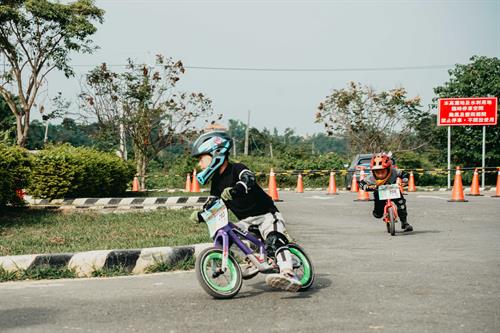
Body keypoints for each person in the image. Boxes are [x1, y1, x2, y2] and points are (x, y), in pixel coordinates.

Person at [189, 131, 301, 292]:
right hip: (246, 222)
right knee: (230, 234)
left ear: (215, 153)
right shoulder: (216, 183)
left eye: (201, 158)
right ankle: (253, 259)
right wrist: (201, 214)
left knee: (274, 239)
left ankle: (288, 273)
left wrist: (236, 190)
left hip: (266, 215)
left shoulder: (237, 168)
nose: (199, 164)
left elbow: (248, 179)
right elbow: (214, 204)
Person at [358, 153, 413, 232]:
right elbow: (361, 183)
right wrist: (366, 187)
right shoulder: (371, 177)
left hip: (393, 190)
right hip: (379, 192)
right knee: (378, 214)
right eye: (377, 172)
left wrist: (405, 180)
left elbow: (404, 174)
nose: (380, 175)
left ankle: (404, 223)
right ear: (373, 172)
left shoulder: (394, 171)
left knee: (401, 205)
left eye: (382, 171)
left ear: (388, 169)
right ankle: (379, 212)